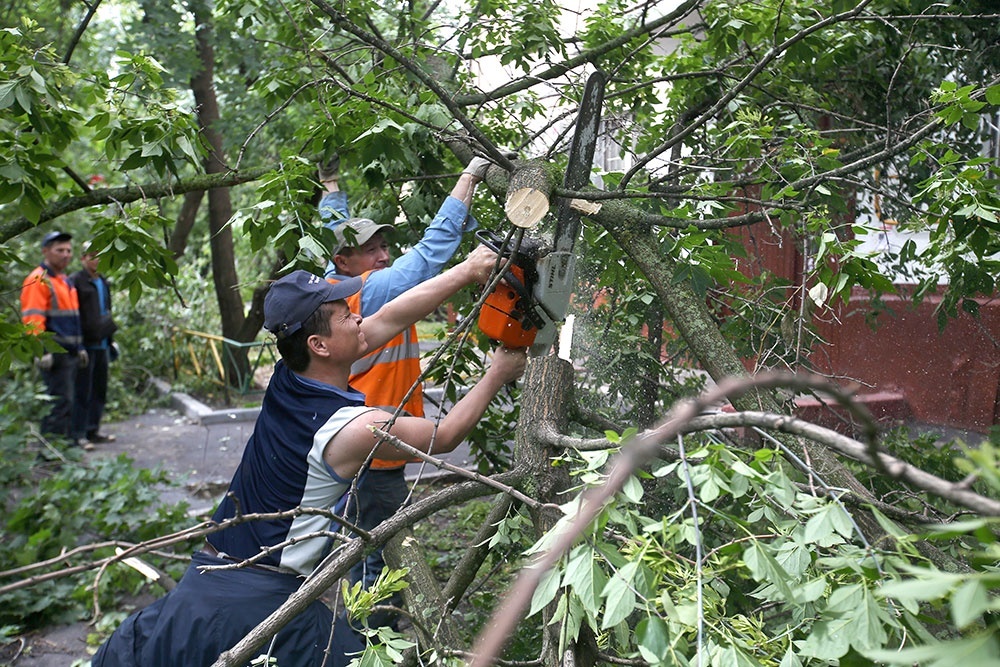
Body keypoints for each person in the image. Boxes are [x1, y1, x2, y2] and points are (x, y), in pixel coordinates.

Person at [92, 251, 526, 667]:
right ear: (319, 344)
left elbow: (389, 319)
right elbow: (445, 435)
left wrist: (469, 271)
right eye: (345, 314)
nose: (358, 317)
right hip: (258, 596)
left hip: (206, 574)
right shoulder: (353, 429)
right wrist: (498, 373)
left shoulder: (291, 373)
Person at [318, 153, 497, 598]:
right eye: (372, 250)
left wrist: (331, 186)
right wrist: (469, 176)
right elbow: (432, 251)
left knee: (362, 546)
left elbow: (336, 227)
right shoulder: (372, 290)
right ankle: (375, 643)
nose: (384, 256)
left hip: (356, 448)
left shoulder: (329, 287)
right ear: (344, 261)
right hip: (376, 452)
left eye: (385, 247)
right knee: (381, 562)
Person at [21, 230, 87, 446]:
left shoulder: (64, 281)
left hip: (69, 354)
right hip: (55, 356)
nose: (66, 254)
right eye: (60, 250)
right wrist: (42, 351)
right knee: (58, 405)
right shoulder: (38, 280)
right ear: (45, 251)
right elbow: (33, 320)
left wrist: (80, 348)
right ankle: (49, 457)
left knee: (68, 403)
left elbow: (72, 319)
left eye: (69, 250)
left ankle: (63, 451)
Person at [70, 241, 118, 446]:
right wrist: (78, 345)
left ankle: (93, 430)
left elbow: (106, 313)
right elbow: (73, 316)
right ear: (83, 259)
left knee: (99, 390)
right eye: (92, 255)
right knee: (82, 391)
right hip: (86, 345)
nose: (96, 259)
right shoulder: (76, 281)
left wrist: (112, 342)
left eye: (100, 255)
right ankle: (79, 434)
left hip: (103, 344)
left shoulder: (104, 282)